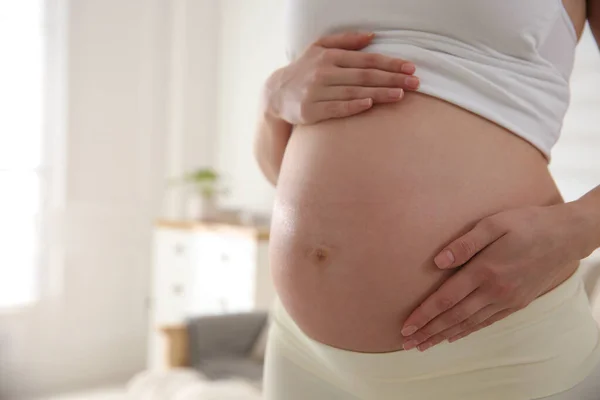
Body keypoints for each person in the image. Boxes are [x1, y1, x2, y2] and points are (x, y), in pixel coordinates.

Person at [254, 0, 600, 399]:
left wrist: (576, 229)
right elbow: (279, 174)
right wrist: (272, 101)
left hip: (497, 351)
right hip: (304, 355)